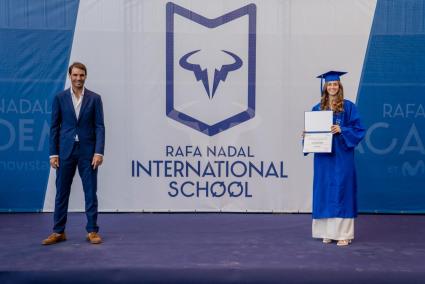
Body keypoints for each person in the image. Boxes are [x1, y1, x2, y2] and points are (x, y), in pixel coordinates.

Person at [42, 62, 105, 245]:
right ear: (70, 76)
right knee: (61, 192)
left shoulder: (95, 98)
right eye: (75, 75)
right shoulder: (60, 98)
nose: (78, 78)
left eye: (82, 75)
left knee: (90, 192)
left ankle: (92, 231)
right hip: (65, 152)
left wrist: (98, 152)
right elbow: (54, 127)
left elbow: (99, 127)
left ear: (86, 76)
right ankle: (58, 231)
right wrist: (53, 154)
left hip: (88, 153)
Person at [308, 71, 365, 246]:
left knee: (342, 190)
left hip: (342, 155)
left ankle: (343, 234)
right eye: (329, 85)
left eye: (335, 85)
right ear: (325, 87)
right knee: (324, 190)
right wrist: (307, 136)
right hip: (324, 157)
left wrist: (343, 130)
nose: (332, 87)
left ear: (339, 87)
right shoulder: (317, 108)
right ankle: (327, 232)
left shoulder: (348, 107)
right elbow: (312, 133)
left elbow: (359, 130)